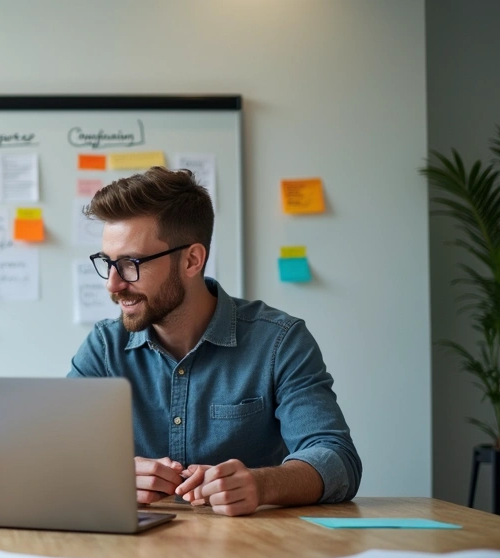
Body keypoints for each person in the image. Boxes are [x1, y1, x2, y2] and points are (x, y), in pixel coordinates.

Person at [68, 167, 361, 516]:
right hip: (134, 549)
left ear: (192, 260)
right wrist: (109, 477)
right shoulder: (103, 348)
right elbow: (56, 454)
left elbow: (337, 458)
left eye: (131, 263)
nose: (112, 285)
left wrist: (262, 484)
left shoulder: (279, 341)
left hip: (251, 550)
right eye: (108, 263)